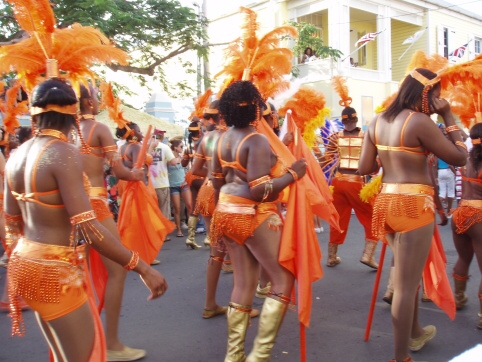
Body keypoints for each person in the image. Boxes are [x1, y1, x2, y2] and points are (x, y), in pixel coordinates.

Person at [5, 78, 167, 361]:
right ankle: (114, 342)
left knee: (62, 354)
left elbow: (10, 222)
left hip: (23, 265)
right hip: (54, 270)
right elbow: (89, 228)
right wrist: (143, 268)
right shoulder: (63, 152)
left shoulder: (17, 154)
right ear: (74, 113)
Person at [359, 68, 467, 362]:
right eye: (436, 94)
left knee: (408, 276)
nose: (438, 100)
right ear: (424, 94)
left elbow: (365, 168)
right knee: (406, 288)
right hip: (414, 206)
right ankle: (399, 356)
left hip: (385, 204)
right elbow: (460, 158)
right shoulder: (419, 121)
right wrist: (448, 117)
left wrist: (391, 155)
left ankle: (416, 331)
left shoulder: (376, 120)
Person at [210, 81, 306, 361]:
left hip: (225, 212)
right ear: (255, 109)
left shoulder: (220, 139)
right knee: (282, 279)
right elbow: (259, 190)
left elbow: (217, 184)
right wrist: (293, 174)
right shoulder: (256, 140)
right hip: (251, 213)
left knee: (243, 283)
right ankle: (259, 356)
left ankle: (234, 355)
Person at [77, 84, 150, 361]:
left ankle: (86, 341)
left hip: (70, 210)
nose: (98, 102)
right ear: (86, 101)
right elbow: (118, 170)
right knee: (118, 270)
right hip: (95, 206)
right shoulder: (98, 129)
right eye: (95, 97)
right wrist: (135, 174)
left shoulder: (63, 131)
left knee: (77, 275)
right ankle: (113, 344)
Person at [324, 78, 380, 269]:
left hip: (338, 182)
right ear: (356, 120)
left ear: (342, 121)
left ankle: (331, 256)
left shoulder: (334, 137)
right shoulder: (366, 137)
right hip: (357, 183)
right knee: (371, 216)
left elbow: (325, 160)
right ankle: (367, 254)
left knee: (338, 217)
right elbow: (374, 163)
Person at [116, 121, 175, 266]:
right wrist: (145, 188)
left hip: (125, 185)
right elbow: (139, 168)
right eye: (139, 130)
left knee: (133, 219)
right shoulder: (135, 147)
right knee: (143, 220)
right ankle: (144, 253)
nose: (142, 132)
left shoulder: (123, 147)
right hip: (137, 186)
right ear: (133, 133)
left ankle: (133, 252)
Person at [450, 122, 482, 329]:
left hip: (460, 213)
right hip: (479, 216)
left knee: (463, 257)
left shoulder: (465, 159)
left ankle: (459, 298)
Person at [150, 128, 178, 239]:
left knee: (153, 210)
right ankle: (163, 235)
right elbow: (172, 162)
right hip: (162, 182)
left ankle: (154, 234)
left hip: (150, 184)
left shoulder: (147, 147)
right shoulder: (165, 147)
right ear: (162, 137)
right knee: (164, 210)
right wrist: (178, 159)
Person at [168, 137, 193, 238]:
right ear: (175, 148)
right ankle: (178, 230)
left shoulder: (182, 156)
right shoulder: (169, 157)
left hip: (183, 183)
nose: (182, 148)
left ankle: (191, 229)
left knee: (189, 206)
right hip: (173, 185)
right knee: (177, 209)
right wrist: (182, 158)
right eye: (181, 146)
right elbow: (172, 163)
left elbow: (187, 168)